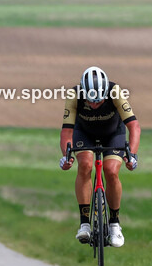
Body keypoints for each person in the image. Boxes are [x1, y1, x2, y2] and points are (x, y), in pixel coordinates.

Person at [59, 66, 140, 247]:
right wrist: (67, 156)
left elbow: (134, 126)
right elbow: (66, 131)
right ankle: (85, 223)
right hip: (84, 133)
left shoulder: (115, 91)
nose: (95, 105)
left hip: (113, 134)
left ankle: (114, 224)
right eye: (91, 101)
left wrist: (132, 155)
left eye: (99, 101)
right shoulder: (74, 95)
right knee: (86, 165)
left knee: (111, 171)